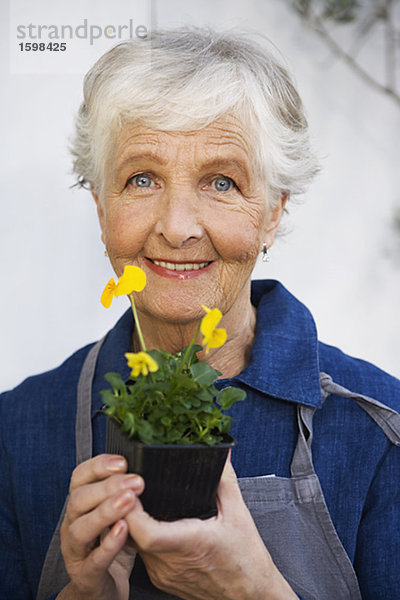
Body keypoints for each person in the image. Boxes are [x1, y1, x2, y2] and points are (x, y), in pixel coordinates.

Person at [1, 27, 399, 600]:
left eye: (221, 181)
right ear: (100, 205)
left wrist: (254, 589)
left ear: (272, 212)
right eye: (142, 179)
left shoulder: (382, 431)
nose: (178, 225)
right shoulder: (15, 434)